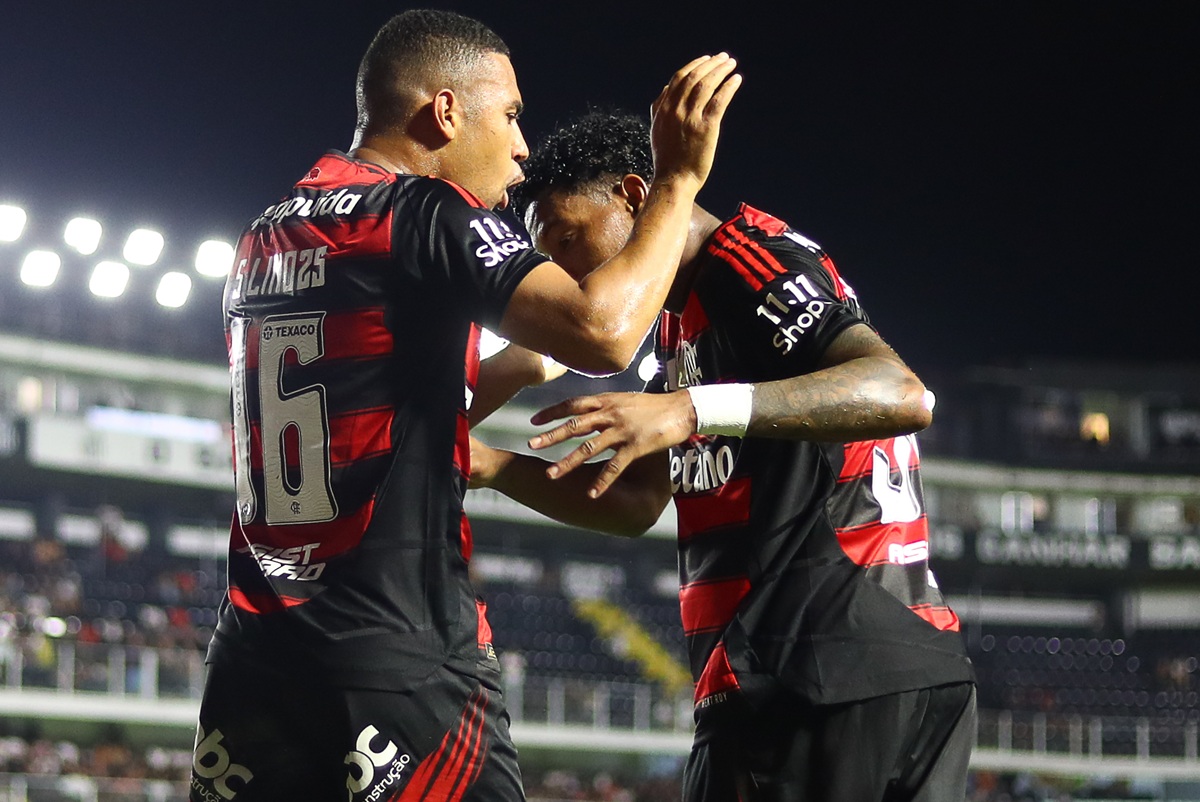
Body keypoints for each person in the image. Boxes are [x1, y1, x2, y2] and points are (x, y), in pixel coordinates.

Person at [193, 9, 741, 801]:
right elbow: (606, 332)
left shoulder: (264, 236)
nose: (521, 148)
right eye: (511, 114)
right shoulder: (421, 212)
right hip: (398, 657)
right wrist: (679, 180)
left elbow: (369, 405)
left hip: (254, 657)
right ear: (445, 111)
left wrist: (519, 368)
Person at [472, 112, 976, 802]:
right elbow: (635, 503)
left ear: (634, 196)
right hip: (871, 671)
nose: (564, 272)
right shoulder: (677, 322)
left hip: (811, 670)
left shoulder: (744, 262)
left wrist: (688, 408)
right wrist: (490, 466)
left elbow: (902, 392)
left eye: (567, 239)